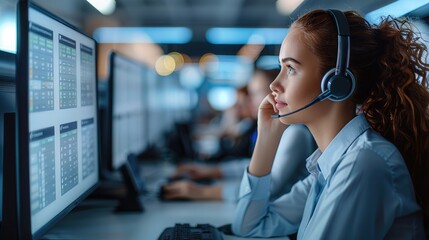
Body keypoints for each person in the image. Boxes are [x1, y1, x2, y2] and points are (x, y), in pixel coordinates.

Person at [232, 10, 429, 239]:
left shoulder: (364, 163)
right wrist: (267, 137)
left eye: (291, 69)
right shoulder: (330, 165)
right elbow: (249, 226)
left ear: (337, 83)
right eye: (281, 69)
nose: (275, 85)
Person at [161, 68, 316, 201]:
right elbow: (254, 166)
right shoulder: (276, 129)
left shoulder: (295, 133)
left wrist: (204, 192)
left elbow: (268, 186)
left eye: (255, 93)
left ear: (275, 93)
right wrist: (212, 171)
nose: (249, 100)